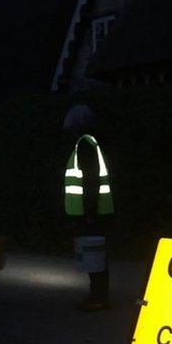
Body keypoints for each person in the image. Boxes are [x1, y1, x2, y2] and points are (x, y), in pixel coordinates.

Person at [63, 104, 114, 311]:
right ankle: (98, 295)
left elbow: (90, 181)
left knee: (94, 256)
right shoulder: (91, 143)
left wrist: (89, 213)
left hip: (90, 214)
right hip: (96, 211)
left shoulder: (84, 144)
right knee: (97, 255)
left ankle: (98, 297)